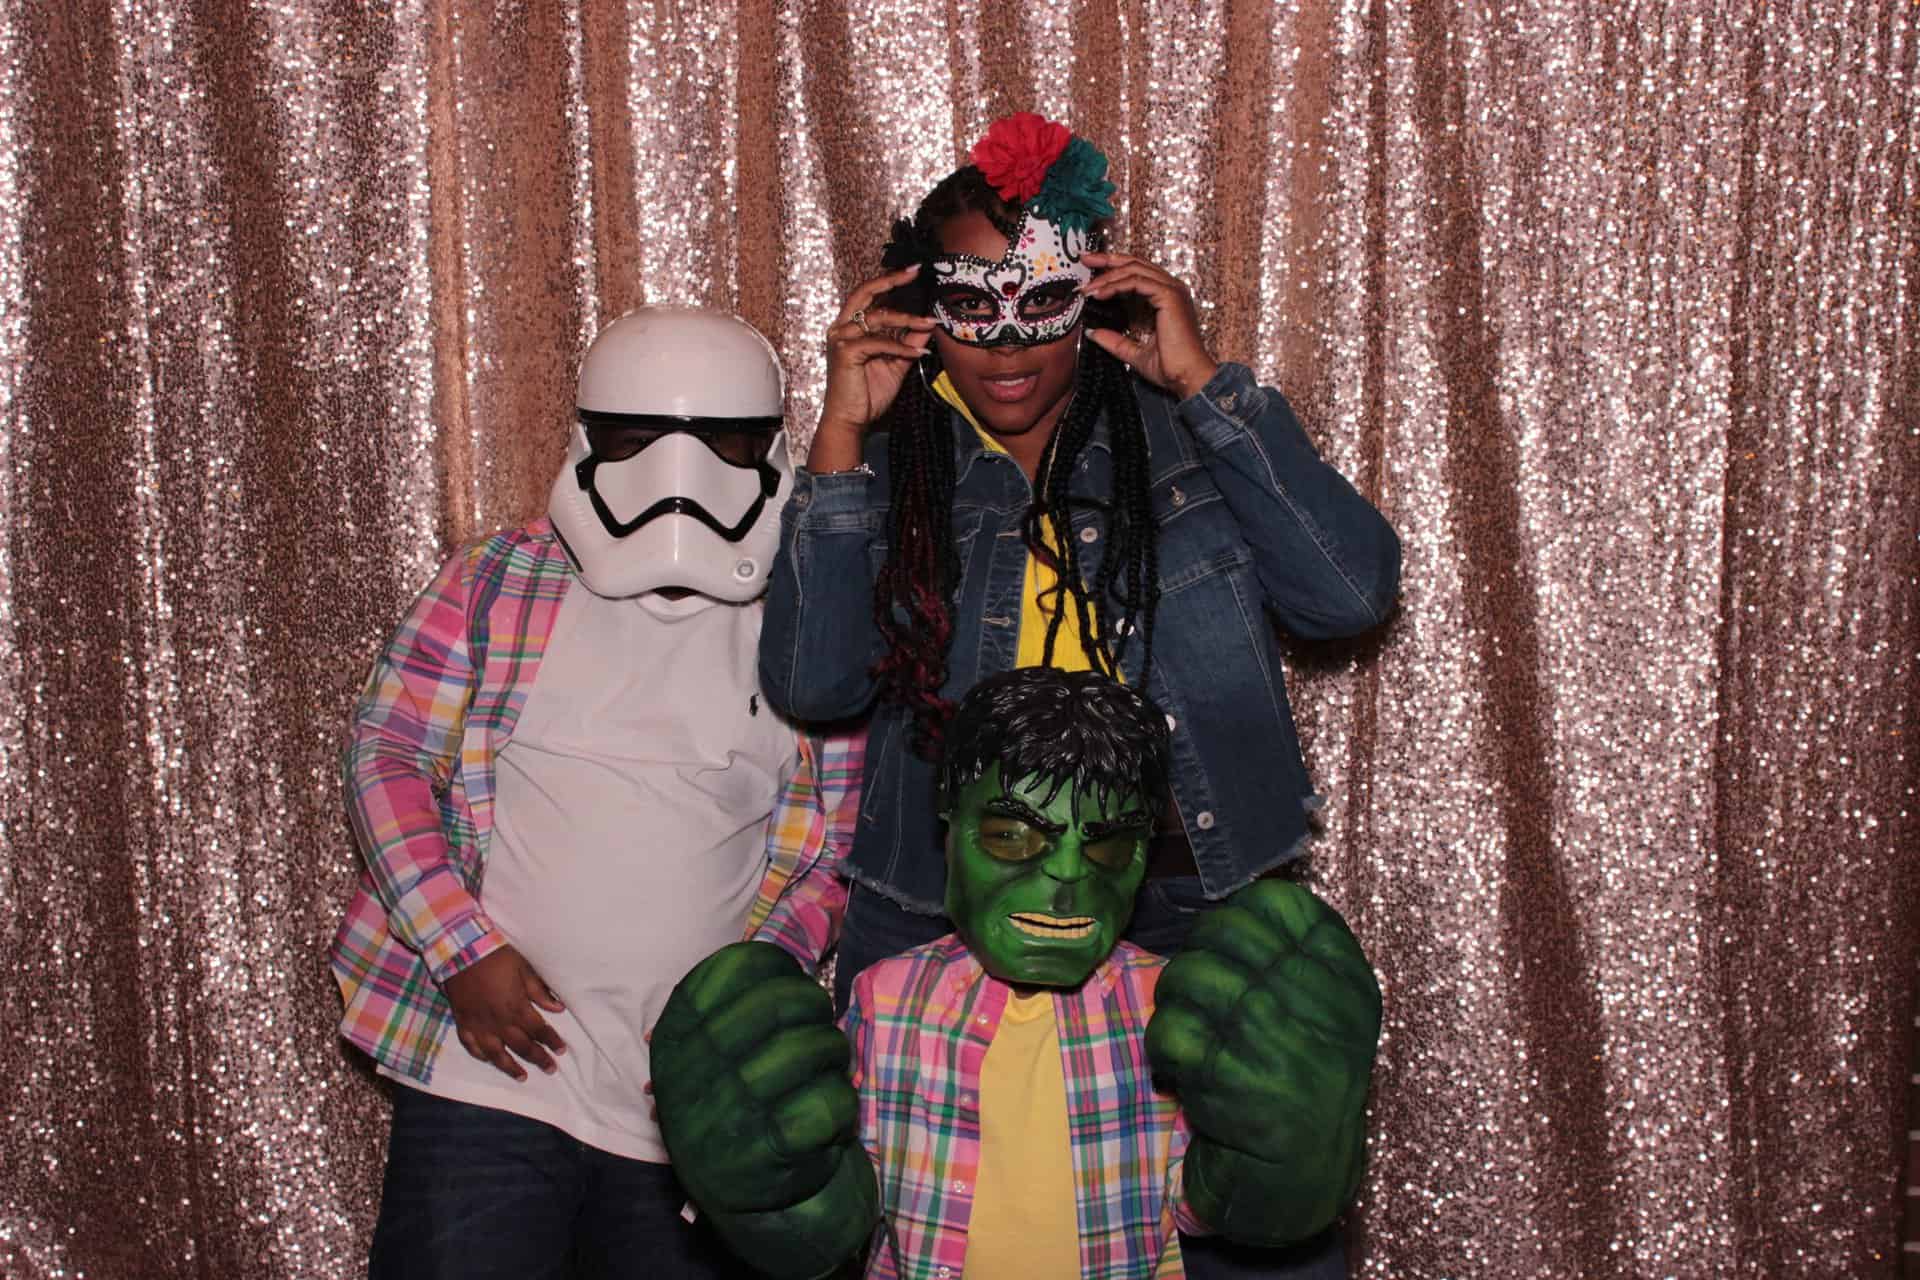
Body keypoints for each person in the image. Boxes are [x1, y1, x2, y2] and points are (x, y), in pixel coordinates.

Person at [757, 112, 1399, 1274]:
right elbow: (811, 678)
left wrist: (1202, 379)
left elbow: (1349, 592)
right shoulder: (893, 467)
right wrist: (843, 427)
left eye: (1039, 300)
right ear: (921, 304)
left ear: (1095, 290)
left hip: (1182, 885)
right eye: (971, 303)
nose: (1007, 342)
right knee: (942, 1222)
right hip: (945, 900)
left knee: (1248, 1214)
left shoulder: (1182, 439)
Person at [329, 306, 856, 1280]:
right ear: (589, 436)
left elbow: (832, 850)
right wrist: (461, 948)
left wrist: (739, 1004)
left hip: (687, 1111)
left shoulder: (805, 624)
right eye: (636, 438)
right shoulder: (497, 580)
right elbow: (389, 749)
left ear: (767, 447)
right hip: (488, 1074)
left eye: (720, 444)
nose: (676, 475)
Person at [650, 667, 1383, 1280]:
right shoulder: (887, 997)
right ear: (952, 827)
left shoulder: (1168, 1005)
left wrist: (1281, 1163)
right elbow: (852, 1191)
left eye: (1104, 846)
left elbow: (1188, 1204)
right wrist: (775, 1195)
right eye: (1012, 834)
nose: (1064, 876)